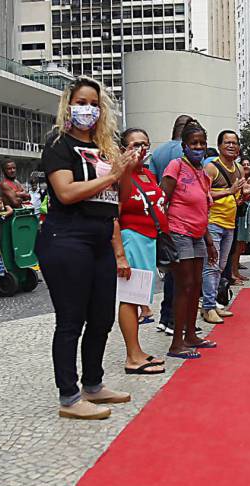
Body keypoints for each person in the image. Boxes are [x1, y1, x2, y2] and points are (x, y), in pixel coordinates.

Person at [38, 76, 136, 420]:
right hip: (66, 238)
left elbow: (119, 199)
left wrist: (126, 171)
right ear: (68, 105)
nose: (88, 109)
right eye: (81, 103)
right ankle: (69, 395)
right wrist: (111, 176)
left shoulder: (106, 147)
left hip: (100, 239)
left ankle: (93, 383)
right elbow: (66, 192)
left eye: (94, 104)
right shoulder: (58, 144)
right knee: (71, 320)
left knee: (101, 318)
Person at [160, 122, 218, 359]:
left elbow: (203, 208)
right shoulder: (175, 166)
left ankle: (191, 334)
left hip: (198, 235)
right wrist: (164, 235)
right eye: (194, 143)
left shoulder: (203, 173)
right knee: (183, 286)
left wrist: (209, 241)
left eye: (202, 143)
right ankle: (176, 342)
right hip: (178, 232)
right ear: (184, 146)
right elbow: (162, 200)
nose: (199, 147)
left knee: (195, 286)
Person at [115, 127, 169, 375]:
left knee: (139, 297)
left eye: (145, 144)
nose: (141, 149)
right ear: (123, 148)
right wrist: (120, 254)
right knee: (131, 297)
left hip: (149, 240)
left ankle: (136, 351)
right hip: (132, 237)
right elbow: (114, 214)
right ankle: (132, 355)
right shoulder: (119, 174)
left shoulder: (147, 174)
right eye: (135, 144)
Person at [151, 114, 195, 334]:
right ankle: (175, 321)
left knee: (171, 268)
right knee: (183, 273)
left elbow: (153, 183)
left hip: (164, 214)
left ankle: (165, 316)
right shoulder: (186, 152)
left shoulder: (158, 152)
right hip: (183, 216)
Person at [201, 130, 243, 324]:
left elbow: (237, 197)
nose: (231, 146)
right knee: (211, 266)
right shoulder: (211, 168)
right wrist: (229, 191)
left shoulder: (239, 169)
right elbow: (203, 194)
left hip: (230, 223)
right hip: (213, 222)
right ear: (219, 146)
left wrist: (244, 193)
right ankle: (208, 307)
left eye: (234, 143)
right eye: (227, 142)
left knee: (221, 266)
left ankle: (214, 303)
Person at [230, 160, 250, 284]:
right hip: (239, 214)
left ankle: (236, 271)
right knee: (236, 244)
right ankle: (232, 272)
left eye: (248, 164)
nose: (246, 166)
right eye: (244, 164)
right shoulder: (237, 181)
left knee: (241, 244)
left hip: (247, 214)